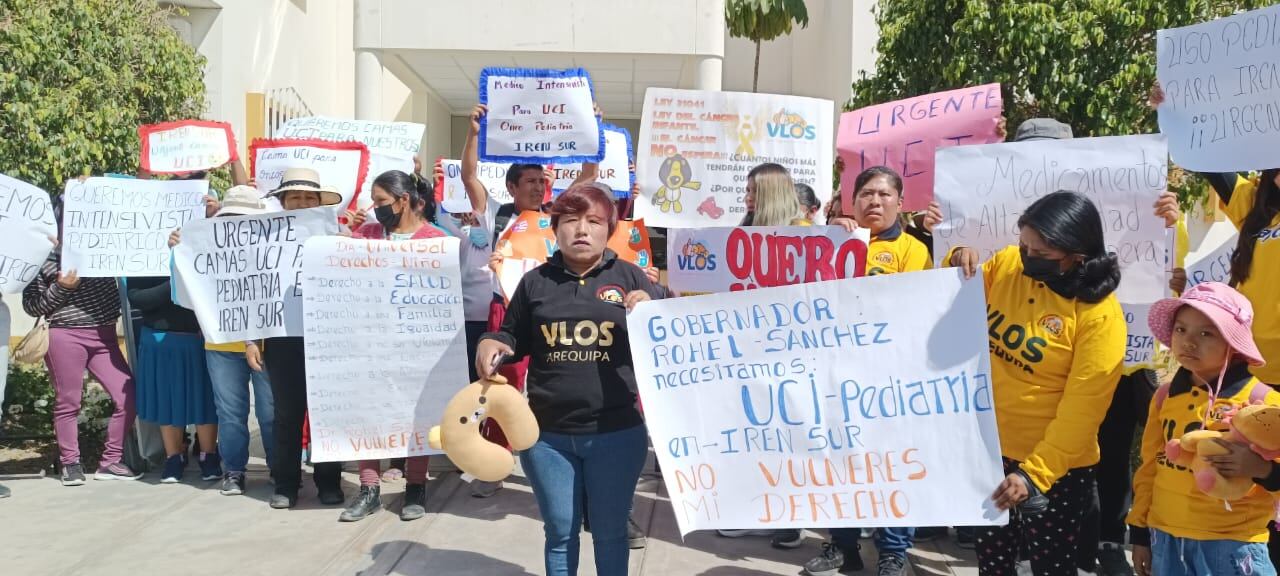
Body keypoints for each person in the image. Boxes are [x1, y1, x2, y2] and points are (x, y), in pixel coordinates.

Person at [475, 183, 662, 576]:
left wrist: (653, 306)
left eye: (593, 221)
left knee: (611, 534)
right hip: (547, 438)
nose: (581, 230)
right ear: (554, 228)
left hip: (616, 434)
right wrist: (493, 340)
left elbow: (674, 334)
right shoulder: (535, 282)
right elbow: (513, 335)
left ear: (609, 228)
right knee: (560, 533)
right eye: (570, 221)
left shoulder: (631, 278)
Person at [948, 191, 1126, 576]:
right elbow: (956, 301)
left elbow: (1084, 409)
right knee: (992, 563)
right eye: (1023, 245)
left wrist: (1035, 474)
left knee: (1051, 568)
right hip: (990, 451)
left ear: (1077, 255)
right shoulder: (1009, 265)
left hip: (1054, 470)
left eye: (1041, 254)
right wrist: (957, 259)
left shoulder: (1099, 316)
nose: (1027, 259)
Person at [801, 166, 931, 576]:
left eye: (884, 195)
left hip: (889, 378)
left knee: (890, 465)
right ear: (850, 202)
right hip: (836, 375)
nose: (874, 202)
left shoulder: (913, 250)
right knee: (839, 463)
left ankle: (893, 551)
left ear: (899, 202)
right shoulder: (829, 241)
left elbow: (907, 307)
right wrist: (826, 236)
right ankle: (842, 546)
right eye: (866, 195)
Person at [466, 101, 598, 498]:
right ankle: (493, 465)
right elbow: (469, 175)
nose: (540, 187)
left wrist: (591, 127)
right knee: (498, 383)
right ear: (511, 187)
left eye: (542, 181)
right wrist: (474, 133)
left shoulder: (559, 215)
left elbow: (588, 177)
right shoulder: (497, 214)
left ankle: (549, 458)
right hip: (504, 308)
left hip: (551, 310)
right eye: (531, 182)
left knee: (547, 383)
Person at [1128, 282, 1279, 576]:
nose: (1189, 342)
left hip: (1234, 545)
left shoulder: (1262, 404)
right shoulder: (1164, 397)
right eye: (1181, 330)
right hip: (1166, 539)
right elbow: (1149, 468)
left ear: (1233, 343)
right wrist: (1140, 533)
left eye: (1206, 333)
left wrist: (1262, 469)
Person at [337, 169, 448, 522]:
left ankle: (415, 486)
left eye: (382, 201)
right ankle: (369, 488)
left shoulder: (436, 241)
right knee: (367, 413)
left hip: (416, 347)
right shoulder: (366, 235)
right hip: (369, 342)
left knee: (417, 414)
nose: (376, 208)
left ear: (403, 201)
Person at [246, 168, 346, 510]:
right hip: (282, 337)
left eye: (309, 197)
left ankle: (329, 482)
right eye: (295, 197)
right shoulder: (263, 239)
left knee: (326, 413)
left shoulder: (338, 235)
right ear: (283, 202)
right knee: (286, 414)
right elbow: (252, 291)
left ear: (319, 202)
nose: (302, 203)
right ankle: (286, 483)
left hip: (329, 337)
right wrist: (250, 340)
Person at [23, 196, 139, 485]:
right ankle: (70, 464)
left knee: (129, 395)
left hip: (105, 334)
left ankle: (110, 462)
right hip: (65, 335)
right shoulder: (42, 257)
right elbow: (33, 306)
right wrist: (61, 288)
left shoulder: (105, 247)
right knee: (69, 401)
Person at [169, 185, 277, 496]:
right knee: (230, 413)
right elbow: (185, 293)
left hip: (266, 345)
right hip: (221, 344)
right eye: (232, 218)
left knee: (270, 413)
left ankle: (279, 469)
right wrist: (177, 252)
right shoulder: (205, 247)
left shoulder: (272, 249)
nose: (238, 224)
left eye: (245, 219)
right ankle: (234, 470)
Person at [126, 272, 219, 484]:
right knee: (168, 399)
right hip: (161, 339)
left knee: (204, 398)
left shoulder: (198, 246)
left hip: (200, 336)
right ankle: (173, 457)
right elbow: (137, 298)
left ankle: (209, 454)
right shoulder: (146, 256)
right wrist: (175, 283)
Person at [738, 163, 809, 226]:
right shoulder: (746, 227)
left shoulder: (803, 231)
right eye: (748, 190)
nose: (747, 198)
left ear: (777, 196)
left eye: (757, 191)